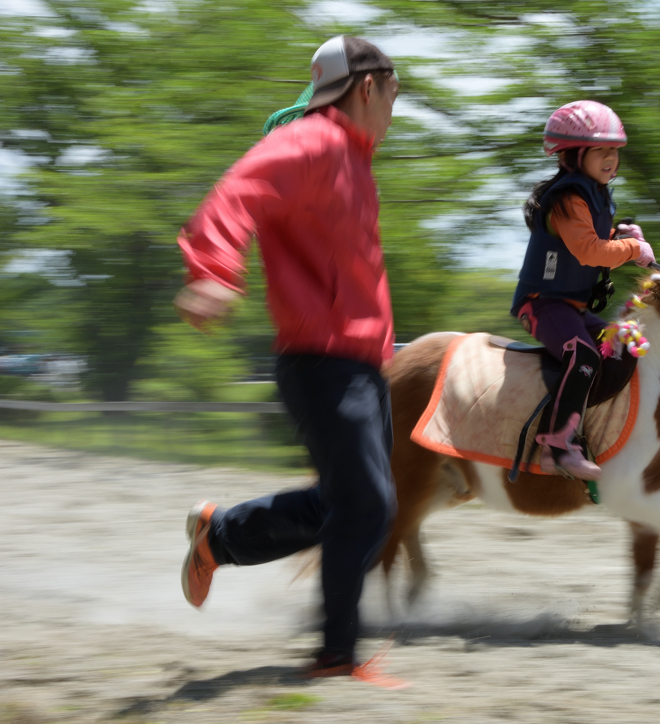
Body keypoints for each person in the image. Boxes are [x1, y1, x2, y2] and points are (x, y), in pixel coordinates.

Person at [173, 36, 402, 682]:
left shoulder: (353, 158)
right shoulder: (314, 141)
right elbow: (237, 189)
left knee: (358, 504)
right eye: (394, 90)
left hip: (360, 363)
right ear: (366, 87)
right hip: (321, 359)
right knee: (365, 506)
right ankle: (335, 656)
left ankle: (219, 536)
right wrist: (213, 268)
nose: (395, 105)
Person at [511, 100, 655, 481]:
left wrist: (621, 236)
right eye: (601, 151)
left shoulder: (592, 193)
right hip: (543, 304)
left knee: (621, 345)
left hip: (569, 307)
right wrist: (634, 249)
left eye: (614, 151)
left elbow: (597, 241)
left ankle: (592, 428)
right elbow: (589, 251)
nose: (611, 159)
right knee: (584, 356)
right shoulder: (568, 199)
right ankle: (556, 448)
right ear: (573, 156)